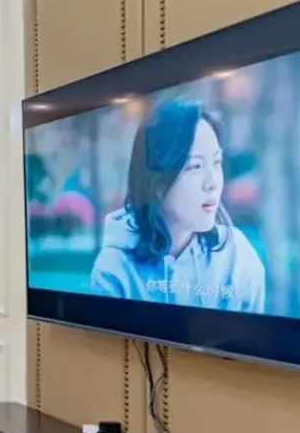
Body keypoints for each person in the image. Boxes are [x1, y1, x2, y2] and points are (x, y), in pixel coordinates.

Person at [90, 99, 264, 311]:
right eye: (195, 166)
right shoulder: (115, 270)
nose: (212, 183)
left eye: (217, 162)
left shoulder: (238, 257)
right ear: (157, 181)